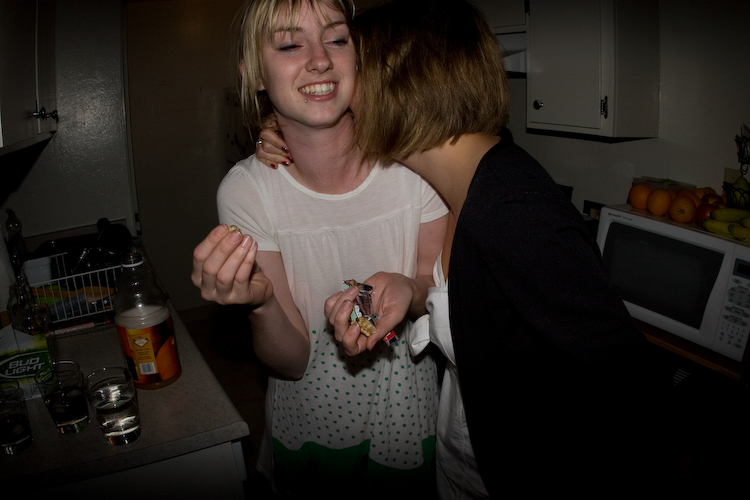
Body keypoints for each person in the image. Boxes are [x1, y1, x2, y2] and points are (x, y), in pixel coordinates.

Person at [258, 0, 673, 496]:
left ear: (400, 86)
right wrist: (410, 291)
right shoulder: (462, 185)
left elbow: (630, 391)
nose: (340, 88)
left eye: (353, 69)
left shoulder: (514, 212)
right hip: (460, 464)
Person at [191, 0, 448, 497]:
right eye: (290, 44)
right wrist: (262, 302)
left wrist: (410, 289)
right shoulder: (246, 192)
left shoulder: (415, 165)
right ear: (254, 73)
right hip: (308, 433)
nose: (320, 59)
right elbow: (291, 362)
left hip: (407, 425)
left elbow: (434, 293)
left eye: (336, 39)